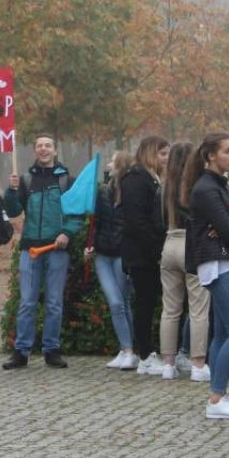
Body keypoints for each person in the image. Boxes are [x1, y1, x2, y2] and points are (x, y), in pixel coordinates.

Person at [183, 132, 229, 419]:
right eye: (227, 151)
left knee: (224, 332)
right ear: (211, 155)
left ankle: (218, 394)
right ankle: (216, 398)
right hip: (218, 262)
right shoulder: (206, 189)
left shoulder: (221, 185)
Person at [3, 134, 83, 370]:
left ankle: (51, 350)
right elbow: (13, 210)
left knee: (54, 302)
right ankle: (21, 352)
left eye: (48, 145)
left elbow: (77, 212)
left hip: (57, 249)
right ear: (35, 151)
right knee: (27, 302)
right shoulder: (26, 179)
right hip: (31, 250)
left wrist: (67, 233)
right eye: (39, 146)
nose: (44, 149)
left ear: (55, 151)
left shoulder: (67, 180)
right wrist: (11, 191)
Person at [159, 142, 210, 382]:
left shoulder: (165, 186)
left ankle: (167, 364)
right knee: (198, 308)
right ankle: (198, 364)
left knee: (170, 309)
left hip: (170, 242)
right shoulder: (195, 186)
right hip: (191, 243)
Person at [120, 136, 169, 375]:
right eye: (162, 154)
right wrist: (155, 248)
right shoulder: (136, 180)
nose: (166, 159)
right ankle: (145, 354)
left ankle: (150, 351)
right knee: (144, 303)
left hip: (147, 250)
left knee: (149, 302)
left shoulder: (152, 179)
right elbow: (137, 220)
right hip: (141, 252)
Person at [90, 151, 136, 370]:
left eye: (113, 161)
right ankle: (126, 349)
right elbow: (94, 220)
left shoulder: (132, 193)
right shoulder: (102, 192)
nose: (108, 164)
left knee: (123, 301)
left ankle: (129, 350)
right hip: (102, 253)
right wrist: (90, 243)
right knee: (115, 301)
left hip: (122, 253)